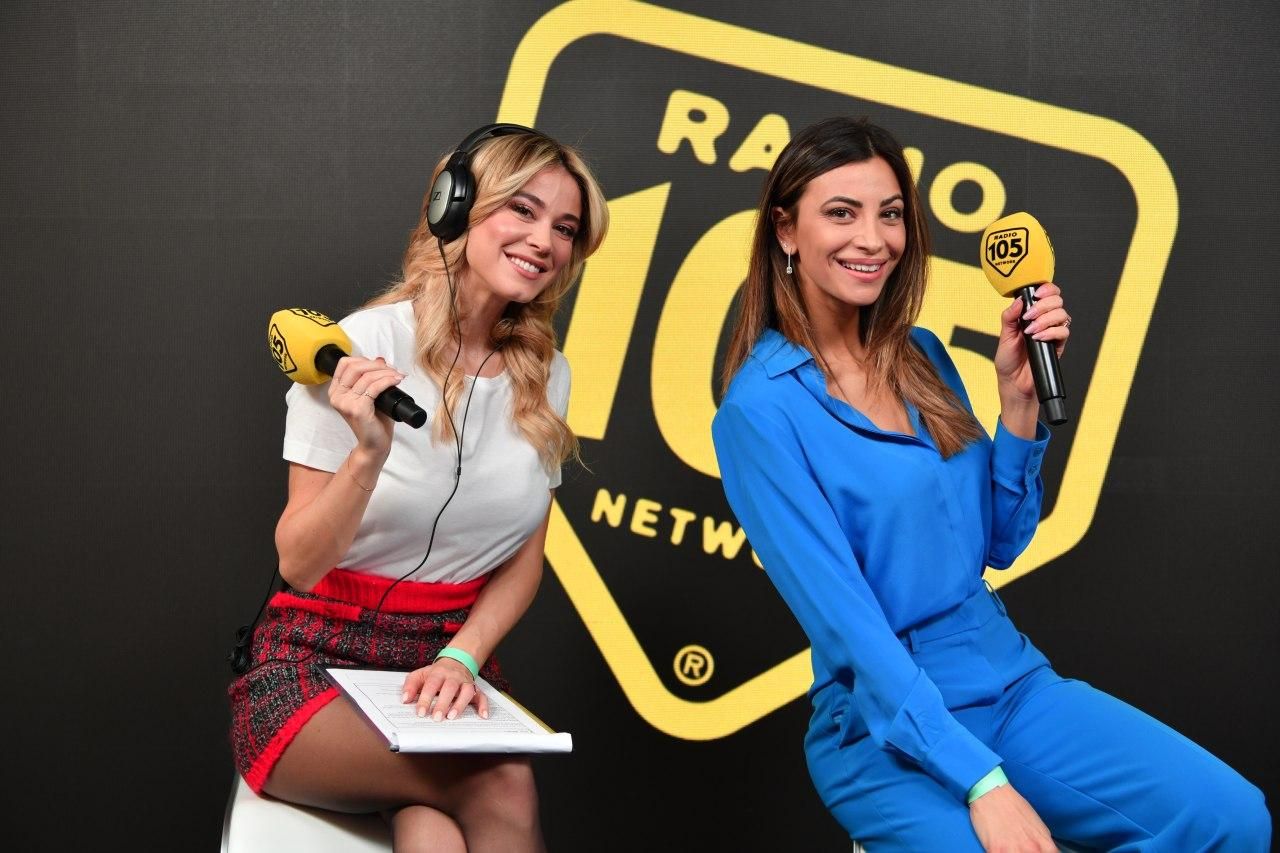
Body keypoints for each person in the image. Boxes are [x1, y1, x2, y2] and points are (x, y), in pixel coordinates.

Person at [711, 117, 1270, 851]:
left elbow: (999, 544)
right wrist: (982, 781)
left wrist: (1017, 406)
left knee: (1232, 819)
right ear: (786, 230)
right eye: (841, 213)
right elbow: (849, 628)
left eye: (890, 214)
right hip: (884, 723)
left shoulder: (920, 355)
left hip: (1006, 679)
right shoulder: (759, 412)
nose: (872, 239)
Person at [228, 125, 608, 853]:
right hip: (309, 662)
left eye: (565, 228)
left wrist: (462, 657)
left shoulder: (546, 376)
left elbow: (524, 561)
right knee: (502, 782)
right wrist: (367, 453)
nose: (544, 241)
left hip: (442, 667)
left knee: (434, 834)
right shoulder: (357, 347)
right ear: (454, 207)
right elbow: (299, 563)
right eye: (522, 209)